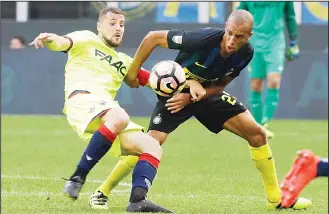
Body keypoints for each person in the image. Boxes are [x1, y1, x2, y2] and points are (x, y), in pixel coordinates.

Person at [89, 9, 311, 210]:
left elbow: (222, 83)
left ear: (249, 36)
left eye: (240, 37)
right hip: (175, 94)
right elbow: (153, 37)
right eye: (230, 33)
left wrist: (198, 94)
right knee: (150, 143)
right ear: (226, 27)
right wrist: (132, 73)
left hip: (206, 96)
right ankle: (102, 192)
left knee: (258, 134)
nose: (233, 41)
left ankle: (276, 199)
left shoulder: (246, 53)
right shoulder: (202, 39)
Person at [29, 7, 173, 213]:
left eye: (122, 25)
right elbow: (62, 42)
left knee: (151, 146)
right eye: (112, 23)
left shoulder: (124, 62)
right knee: (119, 116)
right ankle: (77, 177)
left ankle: (137, 201)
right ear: (99, 26)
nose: (118, 29)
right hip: (81, 100)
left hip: (106, 115)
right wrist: (49, 39)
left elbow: (155, 80)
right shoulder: (86, 39)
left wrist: (187, 84)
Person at [237, 2, 300, 139]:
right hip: (254, 41)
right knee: (256, 84)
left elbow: (290, 16)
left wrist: (294, 41)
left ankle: (265, 122)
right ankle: (257, 124)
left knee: (273, 80)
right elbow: (238, 16)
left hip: (276, 41)